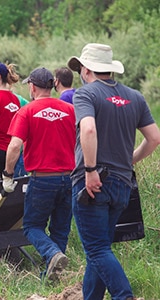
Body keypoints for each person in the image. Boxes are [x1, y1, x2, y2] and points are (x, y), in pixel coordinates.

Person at [67, 43, 160, 299]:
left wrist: (90, 169)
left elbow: (88, 130)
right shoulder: (135, 97)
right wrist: (131, 159)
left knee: (96, 250)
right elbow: (153, 138)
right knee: (100, 250)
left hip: (93, 181)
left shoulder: (85, 94)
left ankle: (123, 295)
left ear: (86, 69)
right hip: (121, 183)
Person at [2, 67, 76, 282]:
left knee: (32, 226)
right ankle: (51, 275)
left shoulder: (27, 111)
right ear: (53, 85)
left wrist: (8, 173)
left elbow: (15, 146)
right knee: (60, 229)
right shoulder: (70, 110)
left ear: (32, 87)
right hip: (69, 177)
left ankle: (53, 254)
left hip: (42, 179)